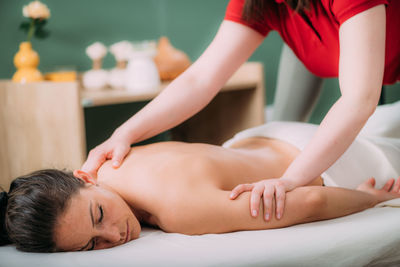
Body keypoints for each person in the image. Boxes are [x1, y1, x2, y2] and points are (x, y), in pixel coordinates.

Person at [81, 0, 400, 220]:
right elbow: (199, 80)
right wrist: (124, 133)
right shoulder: (259, 4)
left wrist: (290, 181)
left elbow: (359, 99)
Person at [1, 121, 400, 252]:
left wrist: (371, 198)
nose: (113, 235)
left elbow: (310, 199)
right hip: (262, 135)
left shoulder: (181, 210)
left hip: (322, 161)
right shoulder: (108, 163)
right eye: (92, 245)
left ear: (81, 178)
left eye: (99, 215)